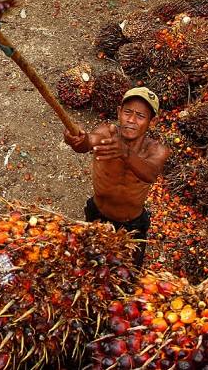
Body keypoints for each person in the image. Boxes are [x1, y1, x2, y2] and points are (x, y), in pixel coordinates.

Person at [63, 87, 170, 270]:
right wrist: (76, 138)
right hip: (98, 215)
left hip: (131, 225)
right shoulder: (105, 134)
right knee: (90, 267)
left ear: (152, 122)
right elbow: (87, 143)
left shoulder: (156, 150)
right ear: (119, 112)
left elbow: (151, 173)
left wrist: (125, 152)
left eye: (140, 116)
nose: (131, 120)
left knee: (127, 274)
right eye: (127, 112)